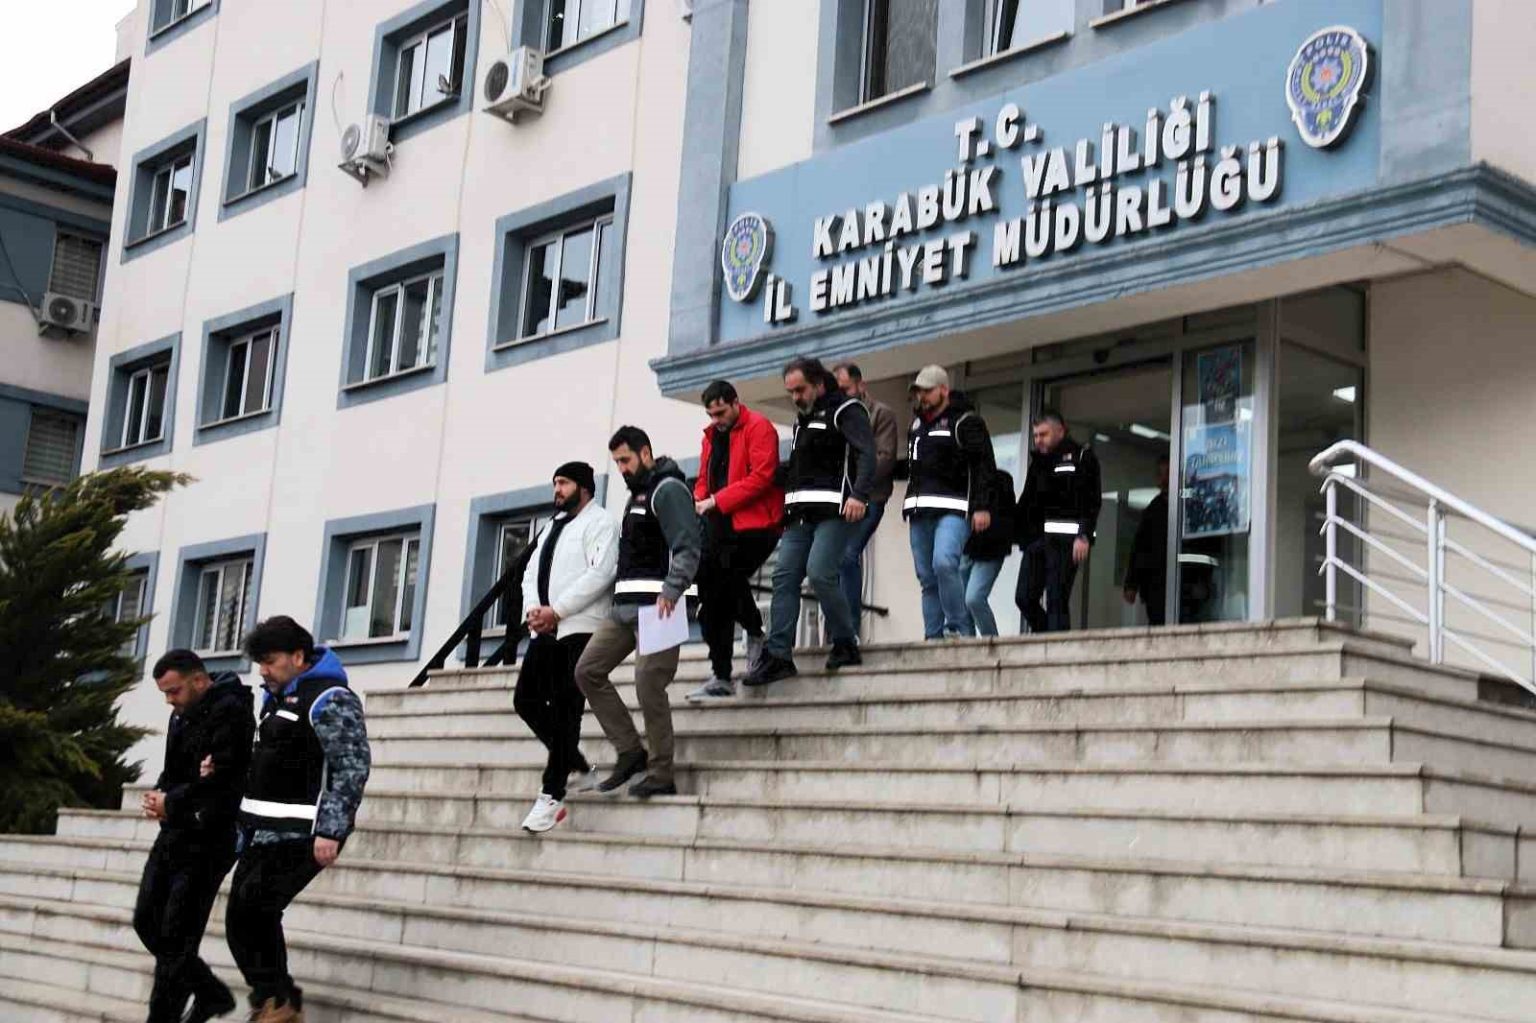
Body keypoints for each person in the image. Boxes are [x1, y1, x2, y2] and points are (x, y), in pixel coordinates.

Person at [227, 617, 370, 1023]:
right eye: (260, 662)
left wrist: (331, 830)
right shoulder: (278, 697)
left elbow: (351, 767)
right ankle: (274, 998)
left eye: (270, 661)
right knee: (239, 918)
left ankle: (279, 1003)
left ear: (298, 656)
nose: (263, 670)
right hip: (263, 831)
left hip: (304, 833)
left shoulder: (330, 698)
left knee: (257, 910)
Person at [574, 426, 702, 798]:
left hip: (660, 607)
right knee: (587, 671)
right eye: (616, 462)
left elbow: (688, 545)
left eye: (626, 460)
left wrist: (673, 589)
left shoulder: (668, 489)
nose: (622, 468)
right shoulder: (637, 494)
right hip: (625, 609)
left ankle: (662, 774)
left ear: (645, 453)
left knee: (648, 684)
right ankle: (631, 752)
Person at [133, 650, 253, 1023]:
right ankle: (211, 993)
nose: (170, 700)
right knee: (147, 921)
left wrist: (174, 801)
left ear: (199, 680)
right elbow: (176, 771)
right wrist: (159, 796)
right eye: (165, 693)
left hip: (210, 839)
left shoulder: (231, 711)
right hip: (175, 832)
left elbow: (223, 783)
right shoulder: (180, 714)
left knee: (176, 938)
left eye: (174, 691)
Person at [745, 356, 877, 686]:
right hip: (799, 516)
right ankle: (778, 656)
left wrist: (859, 495)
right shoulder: (802, 420)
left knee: (819, 573)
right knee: (783, 577)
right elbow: (799, 468)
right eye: (791, 391)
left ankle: (845, 641)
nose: (796, 397)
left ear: (818, 384)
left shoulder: (846, 410)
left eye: (800, 390)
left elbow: (867, 454)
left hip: (835, 512)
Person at [515, 460, 619, 831]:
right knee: (525, 701)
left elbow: (601, 573)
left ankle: (552, 794)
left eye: (563, 483)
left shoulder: (601, 523)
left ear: (583, 487)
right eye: (555, 483)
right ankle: (576, 764)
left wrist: (557, 611)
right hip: (545, 629)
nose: (557, 490)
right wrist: (534, 610)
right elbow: (530, 573)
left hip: (580, 629)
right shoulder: (553, 526)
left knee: (565, 710)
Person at [687, 380, 783, 701]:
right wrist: (700, 499)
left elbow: (761, 477)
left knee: (726, 576)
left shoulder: (759, 427)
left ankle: (754, 634)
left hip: (756, 525)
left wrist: (716, 500)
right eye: (711, 415)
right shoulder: (710, 436)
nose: (716, 420)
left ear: (735, 402)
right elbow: (704, 478)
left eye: (721, 413)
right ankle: (722, 674)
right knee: (711, 594)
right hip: (719, 524)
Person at [903, 365, 997, 640]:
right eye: (918, 391)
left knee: (944, 563)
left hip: (954, 509)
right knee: (927, 578)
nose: (922, 397)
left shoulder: (965, 421)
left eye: (927, 391)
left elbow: (984, 466)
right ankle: (933, 636)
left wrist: (982, 506)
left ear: (944, 389)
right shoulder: (916, 425)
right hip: (919, 510)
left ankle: (959, 628)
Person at [1014, 409, 1102, 633]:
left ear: (1060, 431)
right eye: (1035, 435)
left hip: (1066, 541)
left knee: (1056, 599)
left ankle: (1056, 645)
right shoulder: (1039, 462)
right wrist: (1015, 534)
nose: (1038, 440)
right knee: (1024, 597)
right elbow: (1027, 502)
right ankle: (1049, 637)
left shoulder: (1082, 457)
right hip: (1038, 541)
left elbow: (1091, 501)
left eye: (1043, 434)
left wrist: (1084, 535)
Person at [832, 363, 897, 639]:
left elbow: (884, 458)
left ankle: (850, 629)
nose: (841, 395)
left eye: (846, 389)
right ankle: (837, 630)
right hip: (839, 501)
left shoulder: (880, 414)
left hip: (870, 498)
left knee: (847, 556)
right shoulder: (836, 416)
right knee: (831, 561)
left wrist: (857, 487)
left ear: (861, 385)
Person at [962, 467, 1016, 637]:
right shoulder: (960, 477)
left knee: (974, 598)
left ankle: (992, 642)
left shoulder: (1001, 479)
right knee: (962, 605)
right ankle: (968, 647)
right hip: (963, 547)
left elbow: (1007, 517)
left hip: (989, 550)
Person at [1123, 453, 1171, 626]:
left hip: (1184, 585)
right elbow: (1140, 548)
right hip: (1156, 585)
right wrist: (1131, 584)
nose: (1163, 479)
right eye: (1160, 474)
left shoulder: (1188, 505)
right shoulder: (1154, 509)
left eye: (1168, 473)